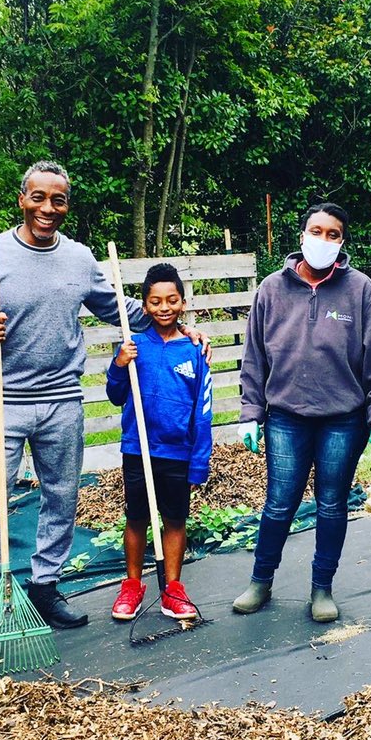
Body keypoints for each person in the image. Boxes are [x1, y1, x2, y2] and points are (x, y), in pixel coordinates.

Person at [0, 161, 208, 633]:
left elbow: (123, 309)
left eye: (58, 199)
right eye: (39, 197)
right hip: (2, 399)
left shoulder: (79, 258)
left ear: (67, 204)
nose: (48, 208)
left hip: (62, 398)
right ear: (22, 199)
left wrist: (176, 324)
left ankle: (45, 587)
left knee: (62, 497)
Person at [232, 202, 371, 623]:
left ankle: (321, 588)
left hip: (342, 419)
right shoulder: (271, 289)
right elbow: (254, 358)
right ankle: (260, 580)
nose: (323, 240)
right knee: (278, 504)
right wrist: (251, 412)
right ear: (301, 236)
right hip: (286, 416)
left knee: (331, 504)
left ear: (342, 242)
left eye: (333, 234)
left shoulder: (362, 292)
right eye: (316, 231)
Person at [105, 263, 213, 622]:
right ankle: (132, 586)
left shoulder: (195, 351)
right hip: (139, 449)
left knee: (175, 519)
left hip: (177, 452)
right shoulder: (135, 346)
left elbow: (203, 411)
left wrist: (199, 461)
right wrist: (119, 365)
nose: (164, 308)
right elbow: (115, 395)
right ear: (145, 305)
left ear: (182, 302)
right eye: (155, 301)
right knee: (136, 518)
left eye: (171, 300)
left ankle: (173, 588)